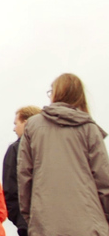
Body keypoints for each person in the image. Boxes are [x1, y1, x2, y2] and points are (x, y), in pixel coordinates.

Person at [18, 73, 109, 236]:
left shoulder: (32, 126)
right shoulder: (89, 128)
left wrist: (31, 215)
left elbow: (24, 175)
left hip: (45, 221)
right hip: (88, 223)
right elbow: (103, 178)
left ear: (55, 94)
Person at [2, 106, 41, 236]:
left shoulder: (15, 149)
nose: (14, 128)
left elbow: (10, 188)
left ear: (26, 122)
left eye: (16, 123)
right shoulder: (52, 147)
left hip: (27, 223)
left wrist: (20, 219)